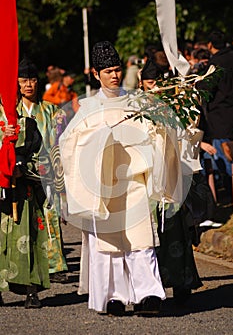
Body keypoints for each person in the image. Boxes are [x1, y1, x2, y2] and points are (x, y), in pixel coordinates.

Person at [59, 41, 167, 316]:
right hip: (103, 184)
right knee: (109, 244)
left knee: (141, 239)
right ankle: (114, 296)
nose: (114, 75)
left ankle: (148, 295)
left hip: (133, 180)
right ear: (96, 74)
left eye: (117, 70)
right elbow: (69, 142)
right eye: (107, 71)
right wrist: (98, 142)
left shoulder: (135, 102)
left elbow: (153, 132)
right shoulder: (88, 107)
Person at [0, 58, 67, 308]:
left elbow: (59, 145)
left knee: (39, 229)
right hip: (10, 177)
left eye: (32, 79)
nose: (28, 84)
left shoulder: (51, 111)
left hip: (42, 175)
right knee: (5, 234)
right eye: (23, 80)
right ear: (15, 83)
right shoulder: (6, 112)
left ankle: (47, 272)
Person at [139, 58, 203, 304]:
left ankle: (182, 283)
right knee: (151, 235)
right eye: (149, 82)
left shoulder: (176, 105)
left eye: (157, 82)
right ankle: (153, 287)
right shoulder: (137, 107)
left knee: (176, 229)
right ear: (142, 84)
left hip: (173, 175)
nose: (153, 86)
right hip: (148, 177)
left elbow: (190, 129)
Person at [196, 30, 233, 204]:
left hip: (221, 117)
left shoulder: (216, 64)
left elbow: (206, 87)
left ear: (210, 45)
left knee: (227, 161)